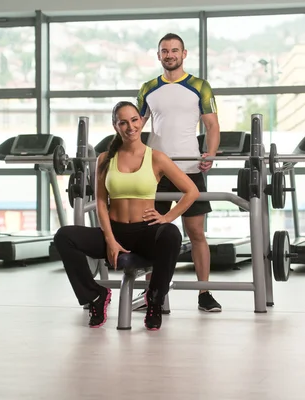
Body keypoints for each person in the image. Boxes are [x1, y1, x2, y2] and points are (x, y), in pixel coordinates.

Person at [53, 101, 199, 330]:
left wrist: (167, 217)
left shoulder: (156, 158)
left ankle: (155, 300)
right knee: (64, 236)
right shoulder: (105, 159)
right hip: (115, 231)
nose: (130, 126)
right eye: (123, 122)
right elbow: (101, 202)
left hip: (146, 232)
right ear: (115, 126)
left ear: (141, 121)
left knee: (171, 234)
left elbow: (192, 191)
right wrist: (110, 240)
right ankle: (95, 296)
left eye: (134, 120)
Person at [136, 32, 222, 312]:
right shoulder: (148, 87)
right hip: (156, 170)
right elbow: (135, 126)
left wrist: (210, 152)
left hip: (189, 168)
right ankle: (155, 297)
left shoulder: (200, 86)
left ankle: (204, 293)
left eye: (175, 50)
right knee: (154, 233)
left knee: (196, 232)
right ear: (158, 55)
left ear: (184, 54)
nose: (169, 54)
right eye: (164, 51)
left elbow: (211, 125)